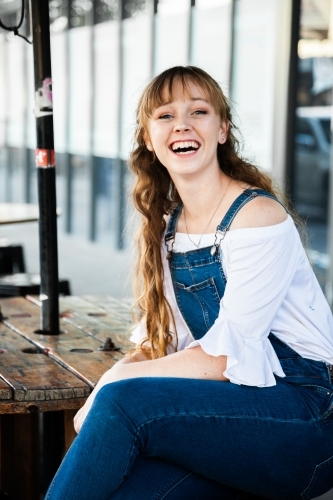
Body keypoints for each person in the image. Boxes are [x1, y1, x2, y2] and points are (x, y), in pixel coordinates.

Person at [46, 66, 333, 500]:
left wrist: (109, 387)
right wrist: (119, 373)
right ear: (147, 137)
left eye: (198, 111)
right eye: (164, 115)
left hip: (306, 418)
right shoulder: (169, 228)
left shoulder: (257, 217)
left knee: (123, 404)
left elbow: (220, 360)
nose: (181, 123)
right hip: (227, 414)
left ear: (222, 130)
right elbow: (163, 344)